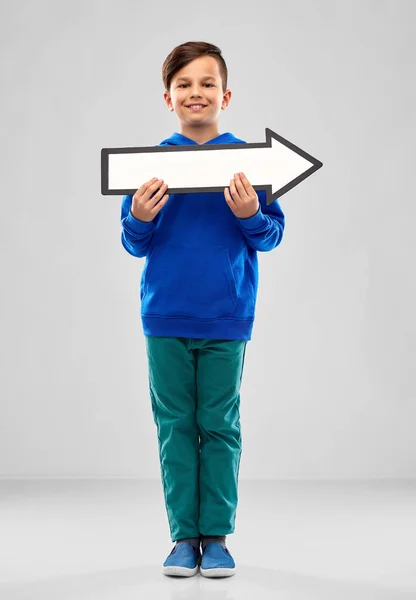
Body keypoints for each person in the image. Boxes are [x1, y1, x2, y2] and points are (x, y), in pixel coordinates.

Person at [120, 41, 285, 578]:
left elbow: (271, 235)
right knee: (174, 426)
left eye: (207, 83)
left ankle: (215, 536)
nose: (197, 93)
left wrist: (249, 211)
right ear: (168, 98)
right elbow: (134, 243)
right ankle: (182, 538)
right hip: (165, 316)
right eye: (185, 85)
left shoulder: (248, 163)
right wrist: (140, 218)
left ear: (226, 94)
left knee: (219, 424)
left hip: (227, 317)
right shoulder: (149, 165)